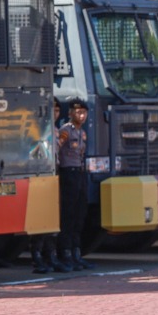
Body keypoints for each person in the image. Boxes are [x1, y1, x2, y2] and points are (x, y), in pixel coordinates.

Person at [55, 98, 90, 271]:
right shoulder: (65, 132)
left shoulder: (82, 133)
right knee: (68, 215)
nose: (81, 115)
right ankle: (66, 253)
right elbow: (56, 149)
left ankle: (77, 253)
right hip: (68, 173)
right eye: (78, 112)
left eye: (84, 112)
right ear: (70, 113)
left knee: (80, 214)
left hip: (80, 174)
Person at [29, 99, 62, 275]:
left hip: (55, 175)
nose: (55, 113)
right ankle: (37, 258)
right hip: (40, 177)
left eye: (57, 110)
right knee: (40, 221)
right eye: (52, 110)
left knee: (53, 219)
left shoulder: (57, 130)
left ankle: (51, 257)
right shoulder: (36, 131)